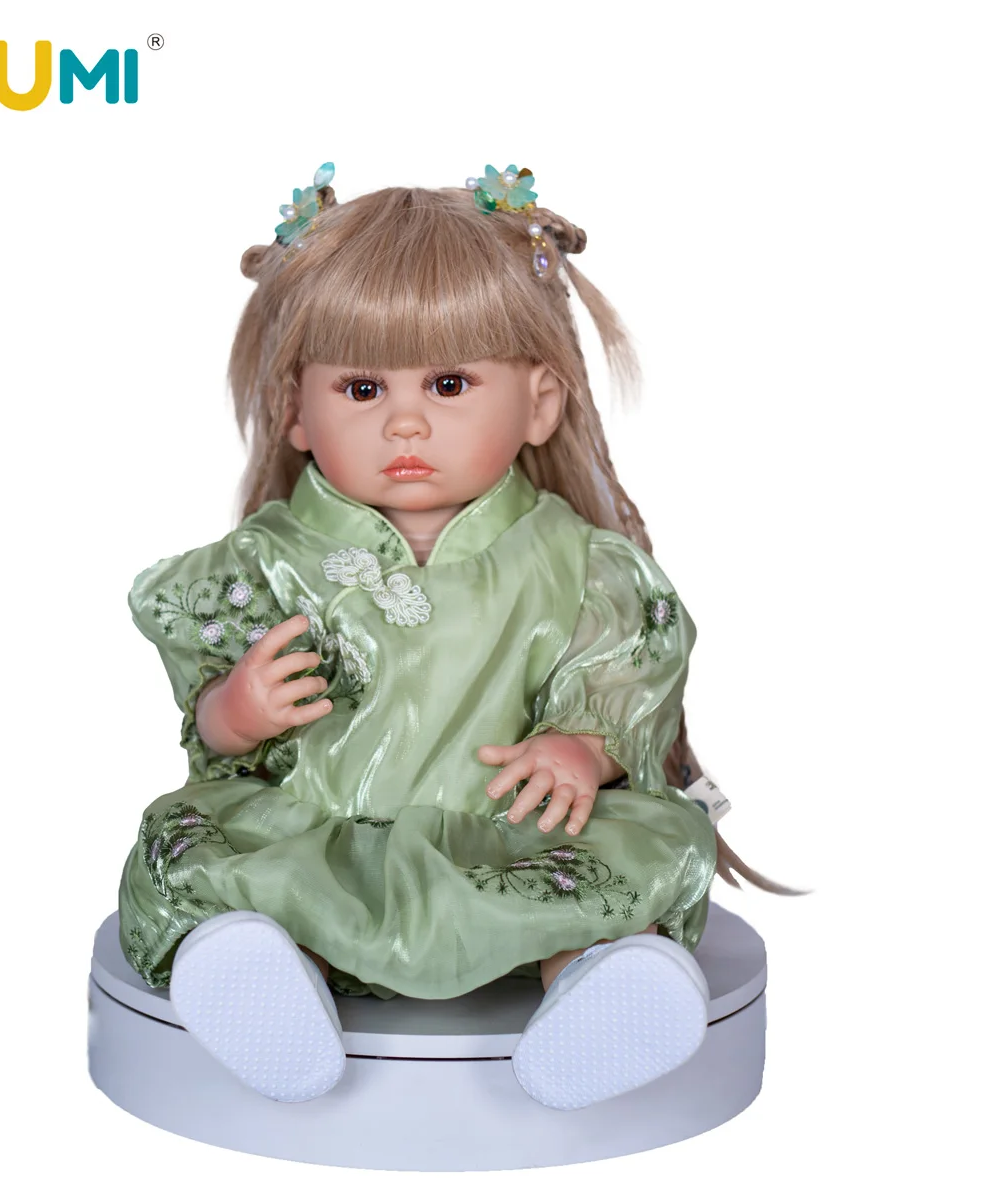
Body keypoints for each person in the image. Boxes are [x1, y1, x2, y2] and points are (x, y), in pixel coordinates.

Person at [117, 164, 784, 1111]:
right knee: (222, 866)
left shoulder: (576, 564)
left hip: (515, 840)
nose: (404, 420)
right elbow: (213, 733)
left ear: (539, 402)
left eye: (449, 382)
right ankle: (265, 976)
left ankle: (596, 984)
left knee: (612, 874)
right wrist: (235, 710)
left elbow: (617, 678)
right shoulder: (266, 564)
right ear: (297, 410)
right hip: (320, 830)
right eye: (360, 386)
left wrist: (583, 749)